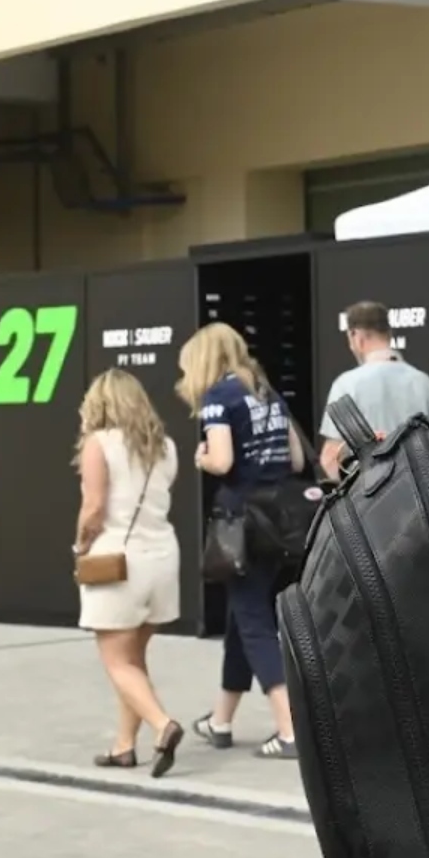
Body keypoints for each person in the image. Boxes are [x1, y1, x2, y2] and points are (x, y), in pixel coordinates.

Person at [178, 321, 305, 759]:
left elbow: (223, 459)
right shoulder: (268, 392)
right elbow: (297, 457)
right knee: (242, 618)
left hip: (240, 522)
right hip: (275, 521)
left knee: (253, 622)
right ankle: (221, 720)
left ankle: (289, 729)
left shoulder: (219, 397)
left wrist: (201, 458)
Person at [72, 369, 185, 777]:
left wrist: (80, 546)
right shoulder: (166, 447)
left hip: (118, 561)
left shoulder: (98, 443)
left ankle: (162, 725)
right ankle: (124, 746)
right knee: (133, 658)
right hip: (162, 557)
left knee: (117, 662)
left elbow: (94, 508)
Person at [316, 300, 429, 481]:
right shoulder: (425, 384)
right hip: (419, 497)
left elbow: (331, 457)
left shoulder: (346, 385)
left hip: (369, 501)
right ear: (388, 334)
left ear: (357, 337)